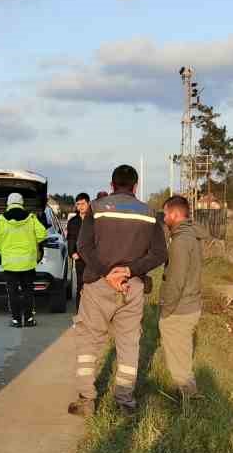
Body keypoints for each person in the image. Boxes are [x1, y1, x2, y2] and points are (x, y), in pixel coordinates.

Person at [69, 165, 168, 415]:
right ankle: (125, 402)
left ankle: (86, 400)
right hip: (131, 287)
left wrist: (107, 273)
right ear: (135, 186)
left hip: (98, 285)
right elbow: (159, 254)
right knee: (128, 343)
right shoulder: (149, 213)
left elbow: (83, 246)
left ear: (112, 185)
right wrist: (129, 270)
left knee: (88, 342)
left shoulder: (96, 208)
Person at [158, 195, 203, 402]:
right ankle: (188, 398)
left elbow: (176, 281)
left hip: (180, 309)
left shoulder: (180, 242)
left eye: (166, 214)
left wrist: (166, 311)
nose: (164, 218)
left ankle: (189, 403)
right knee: (183, 357)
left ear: (175, 214)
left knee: (179, 365)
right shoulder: (191, 236)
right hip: (190, 305)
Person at [0, 191, 46, 327]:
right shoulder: (31, 218)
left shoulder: (1, 219)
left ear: (8, 203)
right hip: (28, 262)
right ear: (22, 203)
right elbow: (42, 234)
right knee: (28, 291)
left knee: (13, 292)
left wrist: (2, 251)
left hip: (10, 263)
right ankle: (28, 319)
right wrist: (32, 243)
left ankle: (16, 320)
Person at [65, 192, 92, 311]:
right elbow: (70, 238)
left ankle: (92, 312)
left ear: (88, 203)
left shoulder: (94, 220)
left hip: (93, 258)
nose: (80, 206)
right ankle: (79, 312)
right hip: (79, 258)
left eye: (83, 204)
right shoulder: (73, 221)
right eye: (78, 204)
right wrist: (72, 253)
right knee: (80, 285)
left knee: (92, 286)